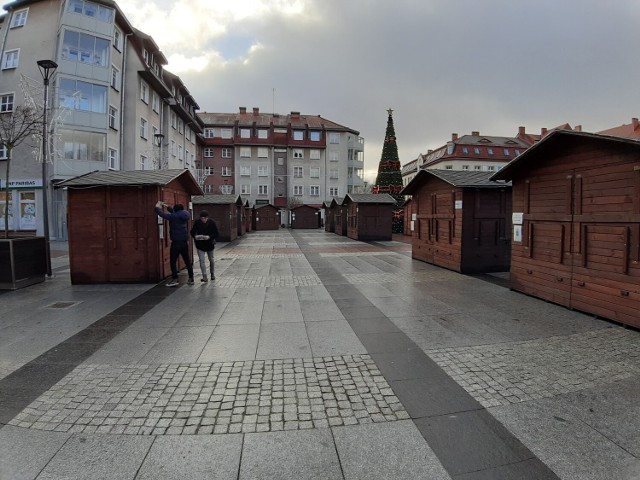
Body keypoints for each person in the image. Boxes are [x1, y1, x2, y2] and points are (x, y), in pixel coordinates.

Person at [155, 201, 194, 286]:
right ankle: (191, 278)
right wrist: (168, 207)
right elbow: (175, 213)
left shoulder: (174, 216)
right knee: (187, 260)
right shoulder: (185, 214)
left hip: (176, 242)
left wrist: (157, 207)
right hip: (184, 242)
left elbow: (163, 215)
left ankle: (175, 279)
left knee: (173, 261)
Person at [190, 210, 219, 282]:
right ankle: (204, 276)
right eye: (202, 218)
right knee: (201, 260)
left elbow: (216, 233)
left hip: (209, 244)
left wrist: (209, 237)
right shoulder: (197, 223)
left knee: (211, 260)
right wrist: (195, 236)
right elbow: (192, 232)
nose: (203, 220)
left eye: (205, 218)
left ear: (207, 218)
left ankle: (212, 274)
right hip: (200, 244)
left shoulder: (212, 223)